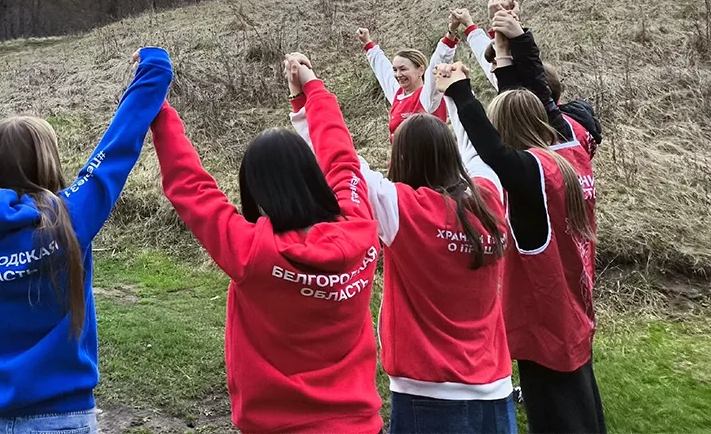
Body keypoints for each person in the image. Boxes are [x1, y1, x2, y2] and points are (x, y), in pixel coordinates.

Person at [0, 47, 173, 434]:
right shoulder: (68, 218)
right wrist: (153, 71)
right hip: (62, 419)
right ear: (48, 161)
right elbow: (116, 150)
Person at [151, 52, 382, 434]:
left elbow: (191, 187)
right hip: (359, 426)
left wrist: (157, 108)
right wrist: (311, 89)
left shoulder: (252, 252)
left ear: (255, 192)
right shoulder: (360, 227)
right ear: (312, 175)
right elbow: (342, 160)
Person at [290, 80, 514, 433]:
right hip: (496, 393)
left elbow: (340, 164)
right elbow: (477, 148)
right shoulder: (491, 199)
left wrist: (308, 98)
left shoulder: (403, 210)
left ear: (402, 159)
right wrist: (457, 94)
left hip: (426, 394)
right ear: (452, 155)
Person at [437, 19, 605, 434]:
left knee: (559, 420)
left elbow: (494, 150)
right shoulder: (571, 154)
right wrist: (508, 50)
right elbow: (532, 102)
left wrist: (460, 93)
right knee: (584, 408)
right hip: (575, 308)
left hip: (545, 323)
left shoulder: (532, 175)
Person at [455, 0, 602, 157]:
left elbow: (522, 83)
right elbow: (526, 77)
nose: (492, 71)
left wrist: (515, 38)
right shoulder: (571, 127)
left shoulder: (549, 143)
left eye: (496, 64)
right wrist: (508, 30)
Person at [357, 26, 458, 138]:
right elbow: (383, 70)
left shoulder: (428, 97)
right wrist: (367, 42)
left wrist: (451, 34)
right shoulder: (398, 94)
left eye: (403, 69)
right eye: (395, 70)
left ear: (420, 70)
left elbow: (438, 62)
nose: (398, 74)